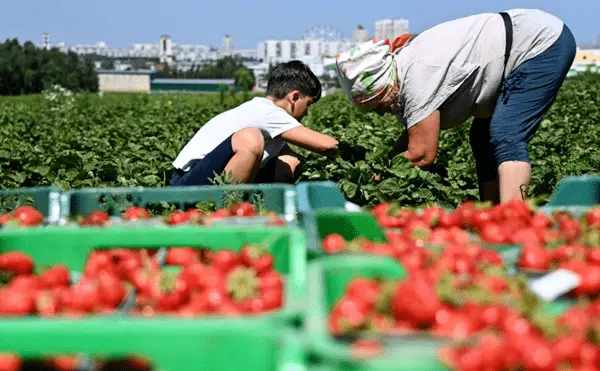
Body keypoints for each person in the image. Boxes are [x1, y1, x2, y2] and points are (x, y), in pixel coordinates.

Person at [335, 9, 576, 204]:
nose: (380, 112)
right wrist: (387, 161)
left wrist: (380, 177)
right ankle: (491, 214)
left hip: (541, 45)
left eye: (377, 104)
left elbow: (421, 153)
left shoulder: (417, 76)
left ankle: (514, 220)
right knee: (481, 137)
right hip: (515, 48)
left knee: (506, 133)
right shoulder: (404, 71)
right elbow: (414, 133)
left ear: (386, 86)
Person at [171, 60, 339, 186]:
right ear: (294, 97)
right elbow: (327, 146)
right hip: (187, 183)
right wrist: (357, 157)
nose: (307, 112)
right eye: (308, 104)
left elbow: (297, 159)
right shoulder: (267, 112)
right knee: (250, 138)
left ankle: (266, 208)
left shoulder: (270, 120)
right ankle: (228, 212)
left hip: (206, 177)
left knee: (289, 161)